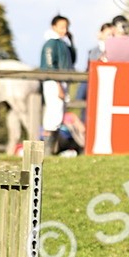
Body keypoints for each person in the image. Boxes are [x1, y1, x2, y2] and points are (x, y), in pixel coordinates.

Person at [40, 14, 76, 155]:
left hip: (61, 82)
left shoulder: (63, 44)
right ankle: (47, 150)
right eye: (62, 27)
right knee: (52, 115)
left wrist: (72, 41)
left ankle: (52, 150)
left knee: (58, 117)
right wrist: (58, 85)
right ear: (54, 27)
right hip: (54, 83)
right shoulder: (51, 44)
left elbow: (72, 59)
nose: (64, 30)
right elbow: (51, 67)